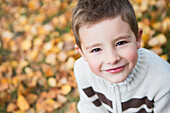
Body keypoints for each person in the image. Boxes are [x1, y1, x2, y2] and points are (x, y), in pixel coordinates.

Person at [71, 0, 170, 113]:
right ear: (82, 53)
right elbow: (90, 108)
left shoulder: (163, 81)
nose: (112, 59)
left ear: (138, 38)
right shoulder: (82, 70)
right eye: (96, 49)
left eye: (121, 43)